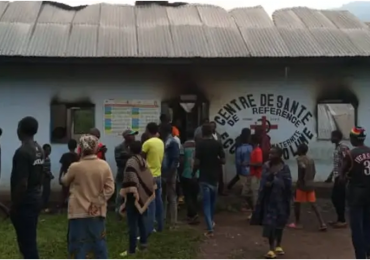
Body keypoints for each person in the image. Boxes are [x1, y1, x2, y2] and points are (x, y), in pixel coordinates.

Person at [62, 134, 114, 259]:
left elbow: (64, 181)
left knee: (78, 245)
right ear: (96, 148)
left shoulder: (75, 167)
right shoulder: (104, 165)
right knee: (98, 244)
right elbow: (110, 188)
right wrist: (97, 202)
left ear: (80, 149)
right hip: (96, 212)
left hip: (77, 212)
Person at [10, 116, 44, 259]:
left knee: (27, 244)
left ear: (21, 130)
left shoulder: (22, 152)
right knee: (29, 239)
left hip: (25, 203)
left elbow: (22, 183)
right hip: (35, 198)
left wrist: (14, 206)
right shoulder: (39, 149)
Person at [250, 147, 292, 259]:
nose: (270, 155)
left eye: (273, 153)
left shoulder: (285, 168)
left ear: (279, 155)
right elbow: (263, 182)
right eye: (270, 153)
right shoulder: (266, 166)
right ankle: (271, 248)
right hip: (269, 201)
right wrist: (268, 184)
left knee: (280, 224)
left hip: (281, 201)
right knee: (270, 225)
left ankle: (278, 245)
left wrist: (276, 182)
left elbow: (288, 184)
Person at [119, 141, 155, 257]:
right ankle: (144, 244)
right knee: (141, 220)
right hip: (142, 196)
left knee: (132, 224)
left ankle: (132, 249)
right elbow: (149, 178)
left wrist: (131, 192)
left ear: (130, 149)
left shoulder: (131, 162)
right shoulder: (143, 161)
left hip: (132, 196)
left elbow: (130, 180)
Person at [340, 127, 370, 259]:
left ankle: (360, 256)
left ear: (352, 139)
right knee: (368, 225)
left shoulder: (350, 154)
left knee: (357, 228)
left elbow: (341, 177)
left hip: (356, 196)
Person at [193, 123, 226, 237]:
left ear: (202, 132)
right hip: (215, 177)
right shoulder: (217, 144)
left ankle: (210, 228)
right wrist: (215, 160)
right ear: (212, 132)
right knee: (212, 203)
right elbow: (223, 160)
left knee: (206, 203)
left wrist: (193, 173)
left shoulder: (200, 144)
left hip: (204, 177)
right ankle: (211, 222)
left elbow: (197, 162)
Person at [287, 143, 326, 231]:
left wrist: (300, 180)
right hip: (310, 183)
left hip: (302, 184)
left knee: (297, 203)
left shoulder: (300, 159)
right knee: (313, 204)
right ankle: (322, 223)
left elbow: (302, 168)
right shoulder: (311, 159)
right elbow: (314, 171)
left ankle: (297, 223)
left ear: (300, 150)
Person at [142, 122, 165, 233]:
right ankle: (160, 225)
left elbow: (141, 159)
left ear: (148, 130)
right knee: (159, 202)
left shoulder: (147, 143)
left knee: (150, 204)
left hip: (149, 176)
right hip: (158, 175)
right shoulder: (161, 142)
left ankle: (150, 228)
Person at [114, 129, 138, 218]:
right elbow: (119, 162)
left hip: (133, 175)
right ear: (126, 137)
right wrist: (130, 157)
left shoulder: (136, 147)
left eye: (134, 135)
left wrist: (128, 156)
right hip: (122, 175)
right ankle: (118, 214)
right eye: (131, 135)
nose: (133, 137)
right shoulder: (119, 148)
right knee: (119, 196)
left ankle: (131, 214)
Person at [328, 130, 349, 228]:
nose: (331, 138)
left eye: (332, 136)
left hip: (341, 178)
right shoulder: (337, 147)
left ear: (337, 137)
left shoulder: (342, 146)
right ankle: (339, 219)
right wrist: (330, 176)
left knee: (338, 198)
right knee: (336, 198)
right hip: (337, 176)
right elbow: (338, 164)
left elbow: (347, 159)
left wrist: (342, 174)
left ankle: (342, 220)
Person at [161, 123, 180, 228]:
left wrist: (170, 174)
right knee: (163, 195)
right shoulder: (165, 141)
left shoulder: (172, 142)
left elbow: (175, 159)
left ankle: (173, 220)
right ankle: (163, 218)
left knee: (171, 196)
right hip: (164, 172)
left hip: (170, 172)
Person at [181, 130, 200, 224]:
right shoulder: (198, 146)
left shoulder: (183, 146)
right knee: (194, 196)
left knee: (188, 196)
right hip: (197, 174)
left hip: (186, 174)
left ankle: (194, 214)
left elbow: (181, 160)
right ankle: (190, 215)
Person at [235, 129, 253, 212]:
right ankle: (248, 205)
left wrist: (238, 171)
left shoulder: (239, 149)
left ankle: (244, 205)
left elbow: (238, 162)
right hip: (251, 171)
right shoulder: (252, 148)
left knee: (244, 188)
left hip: (243, 171)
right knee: (249, 189)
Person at [58, 139, 79, 210]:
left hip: (66, 176)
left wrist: (60, 177)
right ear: (76, 146)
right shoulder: (77, 156)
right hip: (75, 177)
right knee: (73, 193)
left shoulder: (65, 156)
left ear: (68, 146)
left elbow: (62, 167)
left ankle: (62, 207)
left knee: (64, 192)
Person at [247, 134, 264, 218]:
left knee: (255, 195)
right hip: (252, 174)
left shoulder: (257, 151)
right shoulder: (254, 150)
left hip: (256, 175)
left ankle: (256, 213)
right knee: (247, 193)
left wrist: (248, 164)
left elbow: (259, 163)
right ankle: (254, 211)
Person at [210, 121, 226, 196]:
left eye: (213, 126)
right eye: (211, 126)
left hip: (218, 157)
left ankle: (221, 190)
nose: (212, 127)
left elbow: (221, 146)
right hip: (212, 157)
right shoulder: (208, 136)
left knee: (220, 175)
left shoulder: (218, 135)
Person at [42, 144, 54, 213]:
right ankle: (42, 207)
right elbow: (42, 169)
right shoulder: (42, 158)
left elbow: (47, 169)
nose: (49, 152)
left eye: (50, 150)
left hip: (47, 178)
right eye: (47, 150)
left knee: (47, 192)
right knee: (44, 193)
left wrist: (50, 174)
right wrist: (48, 174)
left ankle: (45, 206)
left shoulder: (48, 158)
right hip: (43, 178)